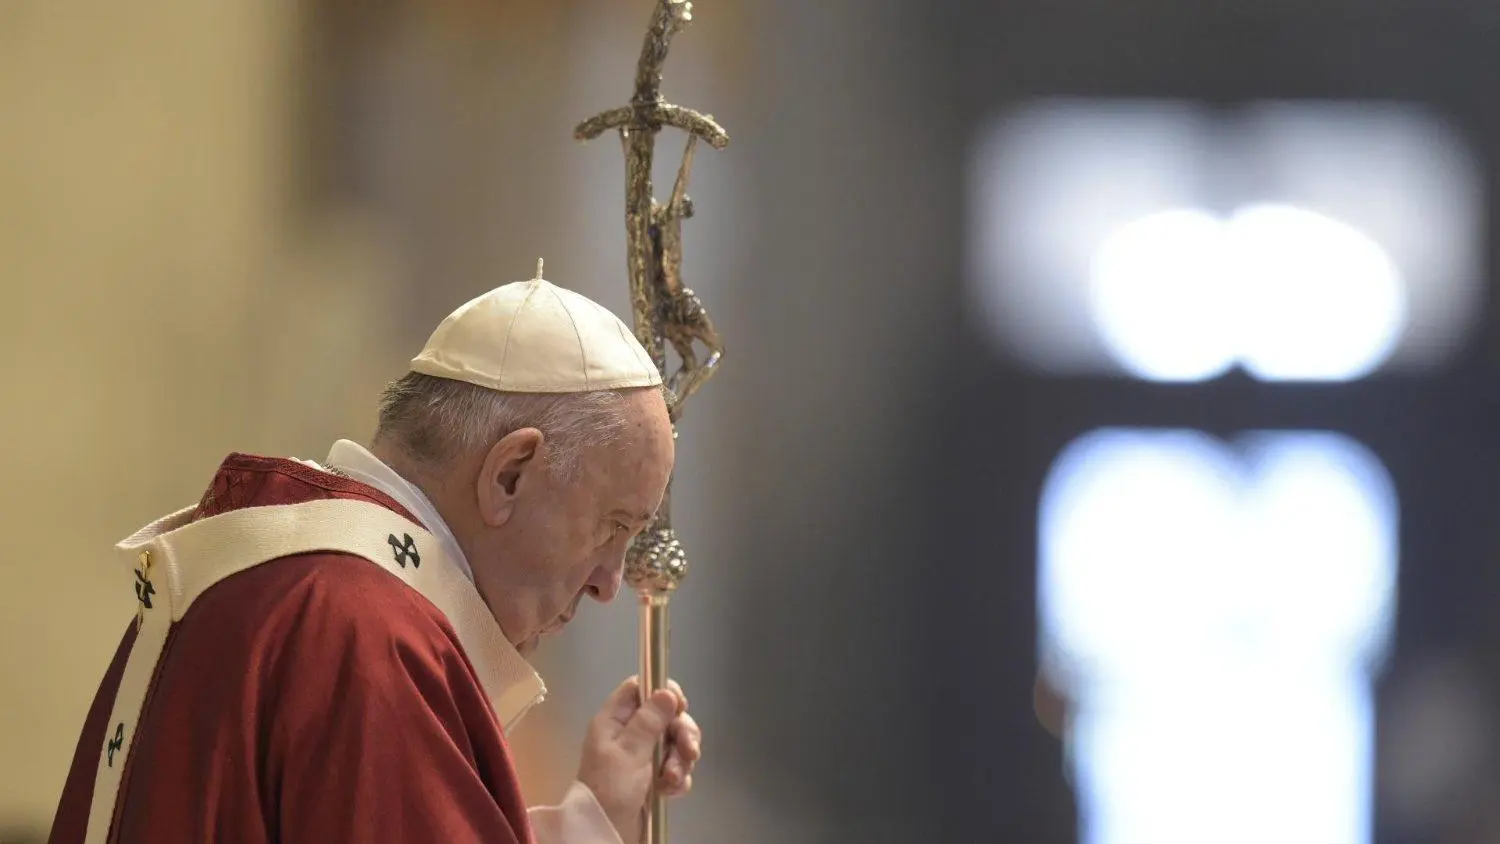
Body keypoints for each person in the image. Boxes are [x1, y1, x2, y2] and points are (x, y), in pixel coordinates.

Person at [47, 271, 703, 844]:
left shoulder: (278, 576)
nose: (609, 584)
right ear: (509, 475)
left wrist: (594, 820)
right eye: (612, 527)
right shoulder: (367, 632)